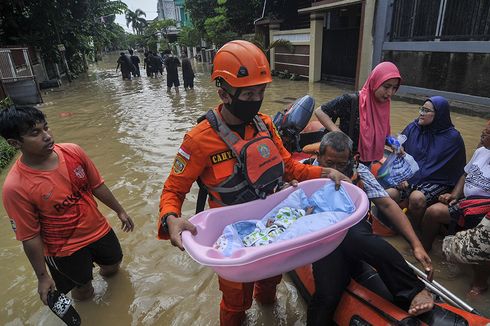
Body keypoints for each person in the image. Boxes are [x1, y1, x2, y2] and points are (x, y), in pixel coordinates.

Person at [158, 40, 349, 326]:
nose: (257, 98)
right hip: (230, 238)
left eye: (261, 91)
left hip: (272, 226)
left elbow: (287, 167)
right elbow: (173, 189)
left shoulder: (265, 124)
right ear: (223, 92)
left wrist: (324, 173)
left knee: (270, 284)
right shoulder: (198, 140)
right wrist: (171, 218)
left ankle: (269, 314)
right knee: (236, 303)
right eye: (249, 93)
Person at [0, 106, 134, 306]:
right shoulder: (15, 187)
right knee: (83, 288)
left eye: (46, 128)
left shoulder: (73, 152)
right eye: (35, 133)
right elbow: (29, 236)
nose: (47, 136)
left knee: (114, 265)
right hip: (63, 248)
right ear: (14, 142)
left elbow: (97, 185)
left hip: (98, 229)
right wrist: (42, 277)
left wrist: (120, 211)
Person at [306, 131, 434, 326]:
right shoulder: (304, 172)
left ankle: (414, 290)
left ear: (350, 160)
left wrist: (416, 244)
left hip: (353, 227)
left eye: (341, 164)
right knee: (327, 295)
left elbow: (387, 205)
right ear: (319, 157)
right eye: (329, 163)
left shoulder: (359, 172)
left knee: (354, 237)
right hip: (323, 237)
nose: (336, 170)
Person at [423, 122, 490, 295]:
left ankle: (480, 283)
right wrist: (455, 194)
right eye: (483, 130)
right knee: (433, 212)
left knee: (481, 239)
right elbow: (465, 174)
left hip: (484, 210)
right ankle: (424, 250)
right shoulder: (481, 151)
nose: (482, 135)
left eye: (487, 133)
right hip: (467, 202)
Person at [386, 96, 466, 228]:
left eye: (426, 111)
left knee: (417, 198)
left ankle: (414, 229)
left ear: (439, 115)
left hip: (436, 181)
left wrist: (454, 194)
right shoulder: (413, 128)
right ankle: (391, 226)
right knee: (389, 195)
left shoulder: (453, 138)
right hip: (409, 177)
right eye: (421, 109)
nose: (421, 113)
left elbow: (461, 170)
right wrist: (399, 174)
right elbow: (398, 150)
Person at [314, 61, 401, 164]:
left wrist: (393, 143)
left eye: (394, 88)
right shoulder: (351, 100)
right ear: (375, 82)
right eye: (386, 87)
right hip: (344, 161)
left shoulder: (384, 106)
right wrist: (339, 134)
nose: (390, 93)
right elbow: (320, 111)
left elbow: (381, 133)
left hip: (367, 162)